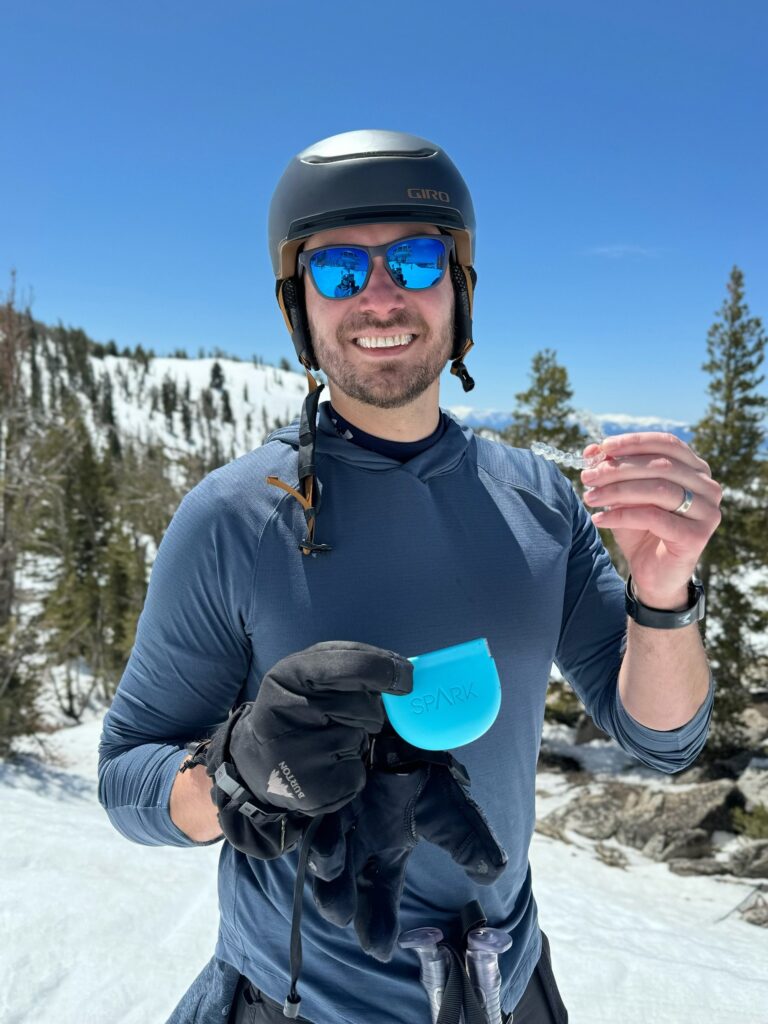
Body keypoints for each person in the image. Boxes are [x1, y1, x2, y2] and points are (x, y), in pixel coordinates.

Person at [98, 129, 722, 1024]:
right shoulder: (235, 518)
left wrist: (664, 593)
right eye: (339, 268)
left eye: (418, 260)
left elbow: (663, 739)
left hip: (507, 990)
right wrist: (233, 776)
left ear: (459, 289)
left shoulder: (538, 500)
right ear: (299, 305)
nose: (381, 295)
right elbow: (126, 778)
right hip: (300, 1005)